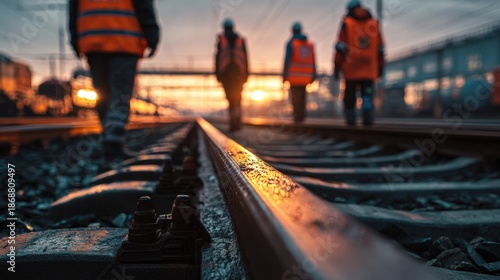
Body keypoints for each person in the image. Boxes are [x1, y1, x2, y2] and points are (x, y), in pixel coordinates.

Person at [69, 0, 160, 157]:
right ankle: (114, 142)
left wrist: (75, 39)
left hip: (92, 39)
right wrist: (152, 35)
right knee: (120, 91)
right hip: (124, 38)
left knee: (102, 91)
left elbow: (73, 8)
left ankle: (108, 137)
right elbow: (143, 6)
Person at [334, 0, 385, 125]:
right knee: (367, 96)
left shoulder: (346, 23)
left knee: (349, 96)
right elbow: (380, 49)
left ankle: (351, 122)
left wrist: (336, 66)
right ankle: (368, 120)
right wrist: (380, 67)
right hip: (369, 69)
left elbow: (340, 48)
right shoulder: (374, 24)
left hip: (351, 68)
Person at [215, 18, 249, 132]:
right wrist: (246, 75)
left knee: (230, 98)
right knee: (237, 98)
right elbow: (246, 57)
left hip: (226, 74)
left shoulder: (221, 40)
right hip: (239, 74)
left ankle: (233, 122)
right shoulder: (240, 39)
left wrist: (218, 75)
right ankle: (237, 122)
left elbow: (217, 58)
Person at [283, 22, 316, 122]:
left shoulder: (291, 43)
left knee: (295, 97)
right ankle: (302, 116)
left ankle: (297, 116)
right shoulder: (309, 44)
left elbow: (287, 60)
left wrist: (284, 76)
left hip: (293, 77)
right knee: (302, 97)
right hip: (306, 77)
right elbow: (314, 61)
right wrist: (313, 75)